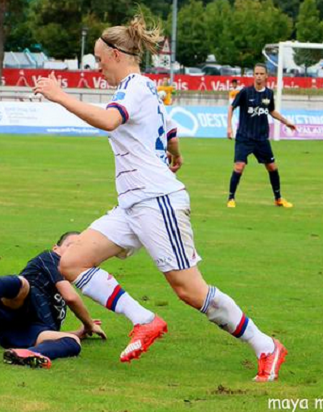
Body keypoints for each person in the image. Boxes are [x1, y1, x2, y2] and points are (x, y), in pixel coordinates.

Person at [33, 15, 287, 381]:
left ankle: (265, 345)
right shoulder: (145, 87)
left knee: (188, 289)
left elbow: (109, 121)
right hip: (133, 203)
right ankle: (145, 320)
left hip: (156, 200)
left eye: (99, 58)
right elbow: (166, 126)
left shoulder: (133, 87)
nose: (97, 66)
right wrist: (174, 150)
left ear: (117, 54)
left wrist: (60, 97)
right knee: (71, 262)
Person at [0, 232, 106, 369]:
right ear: (56, 248)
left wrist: (78, 332)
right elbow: (71, 297)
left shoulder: (60, 289)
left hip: (22, 332)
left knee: (73, 341)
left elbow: (50, 333)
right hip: (13, 306)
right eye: (70, 246)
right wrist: (89, 323)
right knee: (23, 284)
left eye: (77, 250)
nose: (73, 253)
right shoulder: (50, 258)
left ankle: (28, 354)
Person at [226, 64, 296, 208]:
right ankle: (231, 198)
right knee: (239, 166)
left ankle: (278, 198)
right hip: (244, 137)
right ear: (253, 76)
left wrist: (286, 122)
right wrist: (229, 127)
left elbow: (271, 111)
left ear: (266, 76)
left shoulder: (269, 94)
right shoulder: (245, 92)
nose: (258, 76)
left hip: (261, 138)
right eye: (256, 73)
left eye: (261, 73)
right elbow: (232, 107)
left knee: (271, 167)